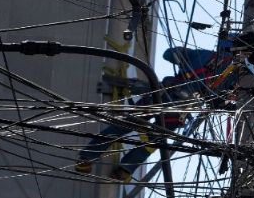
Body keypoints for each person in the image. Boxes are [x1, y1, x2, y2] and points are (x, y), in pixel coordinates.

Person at [75, 47, 235, 180]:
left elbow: (219, 102)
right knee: (134, 131)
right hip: (167, 98)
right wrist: (179, 58)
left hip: (173, 104)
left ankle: (107, 164)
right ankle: (109, 165)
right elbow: (168, 54)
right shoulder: (210, 61)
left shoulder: (218, 66)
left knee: (142, 135)